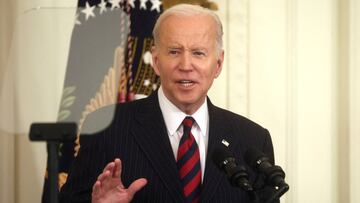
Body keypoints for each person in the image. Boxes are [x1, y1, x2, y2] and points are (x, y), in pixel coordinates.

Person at [59, 4, 275, 203]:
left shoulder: (253, 140)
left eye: (198, 53)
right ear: (155, 60)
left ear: (218, 64)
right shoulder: (106, 127)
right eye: (174, 52)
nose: (186, 65)